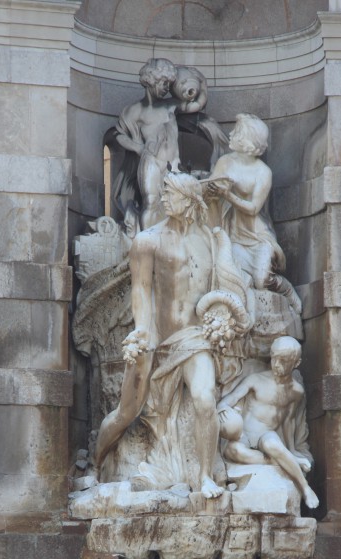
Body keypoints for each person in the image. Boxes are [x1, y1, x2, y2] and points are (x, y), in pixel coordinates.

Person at [94, 172, 246, 498]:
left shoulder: (211, 238)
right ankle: (95, 465)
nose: (164, 200)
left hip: (195, 339)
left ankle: (205, 477)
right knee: (125, 412)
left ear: (189, 199)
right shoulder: (147, 241)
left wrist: (223, 317)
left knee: (205, 399)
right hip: (158, 343)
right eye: (163, 193)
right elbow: (140, 292)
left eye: (171, 194)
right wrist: (143, 332)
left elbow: (225, 285)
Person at [204, 114, 301, 321]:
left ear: (248, 142)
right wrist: (209, 189)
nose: (231, 133)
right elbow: (211, 191)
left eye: (237, 132)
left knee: (262, 279)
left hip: (257, 235)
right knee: (236, 278)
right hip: (233, 234)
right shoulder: (225, 161)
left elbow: (254, 208)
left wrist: (228, 194)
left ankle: (287, 291)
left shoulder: (263, 172)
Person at [218, 336, 319, 509]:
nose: (276, 364)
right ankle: (283, 461)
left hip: (266, 435)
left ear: (296, 362)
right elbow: (232, 397)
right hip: (244, 435)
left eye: (283, 360)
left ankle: (305, 487)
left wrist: (291, 448)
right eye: (274, 358)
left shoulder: (296, 391)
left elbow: (289, 421)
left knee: (273, 444)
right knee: (232, 450)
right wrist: (222, 407)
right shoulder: (256, 379)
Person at [114, 59, 207, 229]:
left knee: (176, 204)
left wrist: (202, 83)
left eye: (169, 84)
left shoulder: (170, 105)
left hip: (173, 163)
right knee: (151, 201)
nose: (167, 88)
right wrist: (138, 148)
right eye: (164, 83)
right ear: (151, 80)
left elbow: (198, 104)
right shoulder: (135, 110)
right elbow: (119, 135)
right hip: (151, 161)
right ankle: (146, 240)